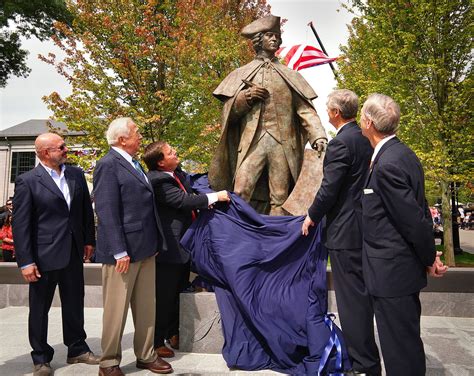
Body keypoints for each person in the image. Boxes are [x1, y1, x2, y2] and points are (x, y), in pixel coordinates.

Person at [360, 94, 447, 375]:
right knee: (403, 344)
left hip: (392, 274)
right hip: (396, 271)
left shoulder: (388, 164)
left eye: (362, 116)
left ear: (369, 123)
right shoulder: (401, 154)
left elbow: (414, 220)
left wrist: (430, 257)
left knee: (400, 350)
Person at [208, 14, 327, 215]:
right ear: (258, 39)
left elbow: (305, 110)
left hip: (282, 144)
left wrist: (319, 135)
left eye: (277, 37)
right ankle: (239, 232)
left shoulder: (290, 76)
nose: (275, 40)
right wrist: (246, 97)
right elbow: (228, 113)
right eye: (269, 36)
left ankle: (276, 239)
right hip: (252, 142)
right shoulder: (242, 73)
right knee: (241, 189)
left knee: (280, 196)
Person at [301, 89, 380, 375]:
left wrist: (311, 215)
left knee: (353, 302)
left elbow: (329, 189)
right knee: (361, 298)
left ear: (334, 113)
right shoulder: (367, 139)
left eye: (327, 108)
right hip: (365, 228)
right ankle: (365, 358)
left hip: (346, 233)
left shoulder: (340, 144)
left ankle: (363, 364)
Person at [12, 133, 99, 376]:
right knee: (39, 309)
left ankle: (77, 349)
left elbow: (84, 212)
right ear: (44, 153)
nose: (66, 149)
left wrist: (89, 241)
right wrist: (26, 261)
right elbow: (21, 225)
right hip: (42, 257)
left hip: (72, 252)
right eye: (60, 147)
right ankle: (41, 358)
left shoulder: (76, 174)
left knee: (74, 303)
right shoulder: (27, 181)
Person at [93, 118, 172, 376]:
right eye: (136, 132)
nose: (140, 137)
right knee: (116, 311)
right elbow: (106, 209)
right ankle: (109, 363)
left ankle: (146, 355)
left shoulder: (133, 163)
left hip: (146, 247)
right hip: (123, 253)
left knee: (146, 307)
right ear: (122, 139)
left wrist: (156, 241)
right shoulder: (108, 165)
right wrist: (119, 250)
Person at [143, 141, 230, 358]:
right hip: (168, 250)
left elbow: (190, 196)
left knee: (178, 292)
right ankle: (155, 342)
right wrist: (215, 197)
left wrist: (202, 202)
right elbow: (182, 201)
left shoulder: (177, 174)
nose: (176, 152)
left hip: (183, 247)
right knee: (164, 297)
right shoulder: (157, 180)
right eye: (171, 152)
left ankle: (173, 332)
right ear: (161, 162)